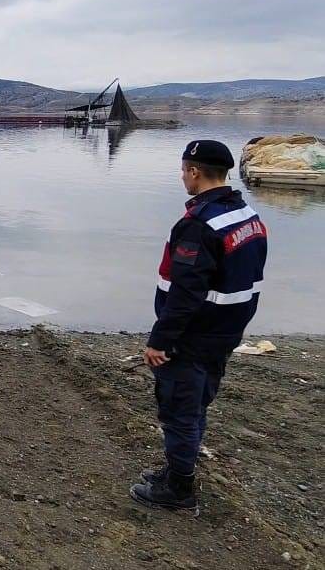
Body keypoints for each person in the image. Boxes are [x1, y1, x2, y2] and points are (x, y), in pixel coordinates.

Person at [131, 140, 268, 515]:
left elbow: (186, 290)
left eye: (184, 170)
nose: (182, 176)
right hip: (223, 333)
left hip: (192, 337)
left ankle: (178, 488)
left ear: (194, 171)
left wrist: (160, 340)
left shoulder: (198, 226)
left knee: (178, 407)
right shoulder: (247, 217)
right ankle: (182, 468)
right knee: (195, 403)